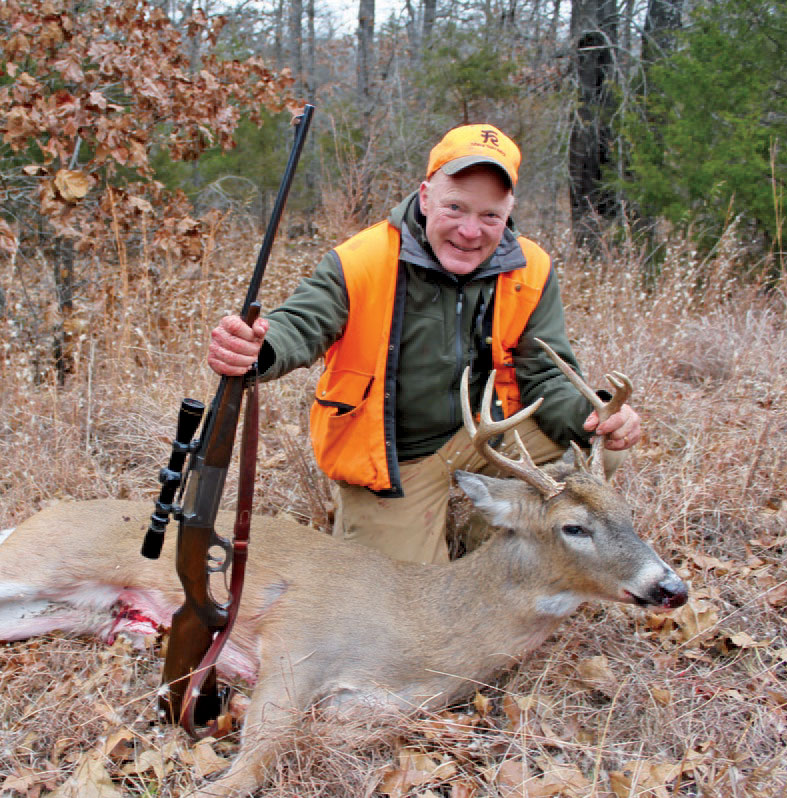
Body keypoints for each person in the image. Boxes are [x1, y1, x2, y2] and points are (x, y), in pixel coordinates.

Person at [208, 124, 641, 564]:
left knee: (589, 450)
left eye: (490, 216)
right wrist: (258, 350)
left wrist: (592, 416)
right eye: (455, 207)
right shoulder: (362, 260)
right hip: (396, 458)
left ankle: (489, 539)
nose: (471, 231)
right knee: (396, 602)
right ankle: (416, 531)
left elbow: (546, 372)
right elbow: (300, 323)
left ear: (509, 211)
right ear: (425, 196)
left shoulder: (530, 268)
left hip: (486, 435)